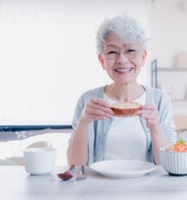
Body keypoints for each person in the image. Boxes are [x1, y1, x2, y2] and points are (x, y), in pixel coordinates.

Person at [67, 14, 176, 166]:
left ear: (143, 57)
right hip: (101, 187)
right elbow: (74, 165)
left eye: (130, 50)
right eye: (112, 52)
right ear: (102, 60)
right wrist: (83, 121)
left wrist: (155, 127)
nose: (122, 60)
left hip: (147, 188)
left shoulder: (160, 100)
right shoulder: (88, 100)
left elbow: (169, 164)